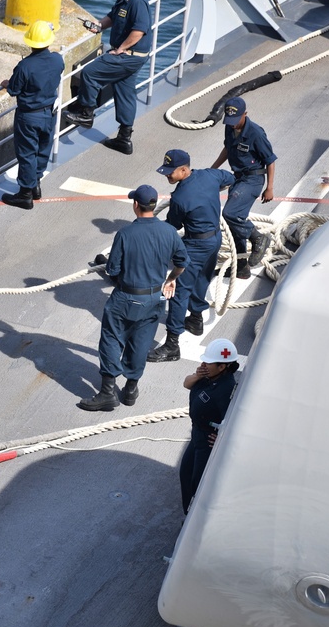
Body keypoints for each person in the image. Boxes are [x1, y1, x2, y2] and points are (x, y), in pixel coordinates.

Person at [78, 185, 188, 411]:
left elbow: (113, 269)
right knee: (141, 342)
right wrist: (171, 279)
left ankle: (108, 392)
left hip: (126, 298)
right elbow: (182, 262)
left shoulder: (125, 234)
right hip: (154, 298)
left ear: (136, 205)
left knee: (111, 338)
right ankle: (130, 389)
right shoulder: (169, 232)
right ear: (154, 205)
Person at [148, 150, 235, 362]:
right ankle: (195, 319)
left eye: (170, 172)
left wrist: (149, 231)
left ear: (184, 170)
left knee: (179, 290)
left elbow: (174, 226)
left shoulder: (180, 197)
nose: (167, 176)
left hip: (195, 244)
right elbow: (230, 178)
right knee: (202, 278)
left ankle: (171, 345)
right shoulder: (210, 175)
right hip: (214, 239)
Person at [63, 0, 152, 155]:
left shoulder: (137, 1)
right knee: (125, 92)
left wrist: (120, 49)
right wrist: (99, 26)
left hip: (129, 55)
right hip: (133, 56)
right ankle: (124, 139)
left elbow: (139, 31)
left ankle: (86, 113)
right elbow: (113, 17)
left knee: (90, 73)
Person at [0, 20, 65, 210]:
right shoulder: (57, 59)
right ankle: (35, 185)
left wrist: (7, 83)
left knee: (27, 153)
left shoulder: (25, 66)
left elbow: (13, 90)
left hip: (28, 116)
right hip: (49, 112)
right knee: (43, 148)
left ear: (30, 42)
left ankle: (25, 195)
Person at [210, 97, 275, 279]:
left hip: (253, 179)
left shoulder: (256, 133)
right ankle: (241, 268)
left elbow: (270, 160)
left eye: (235, 120)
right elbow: (227, 149)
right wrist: (213, 169)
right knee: (234, 226)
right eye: (229, 121)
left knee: (230, 214)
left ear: (245, 114)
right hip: (237, 179)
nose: (232, 125)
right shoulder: (229, 127)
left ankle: (258, 238)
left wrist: (269, 187)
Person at [179, 338, 239, 513]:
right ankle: (188, 513)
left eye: (209, 362)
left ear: (222, 367)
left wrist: (221, 438)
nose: (204, 364)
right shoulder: (207, 375)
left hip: (207, 441)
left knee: (199, 484)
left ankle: (195, 518)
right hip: (197, 434)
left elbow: (230, 419)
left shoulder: (226, 389)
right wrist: (198, 375)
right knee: (186, 473)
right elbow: (187, 383)